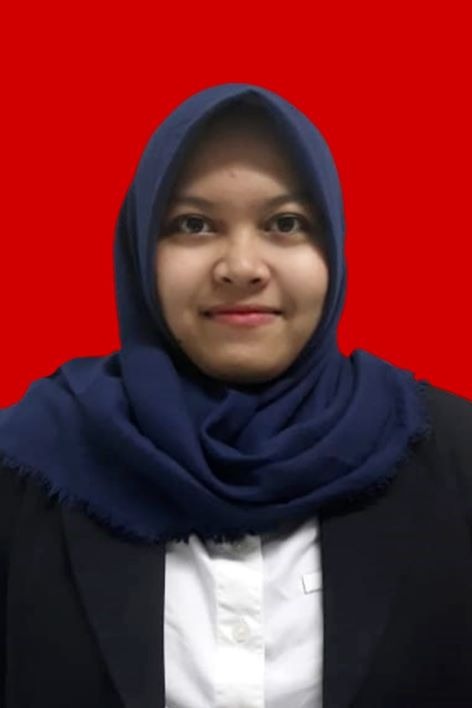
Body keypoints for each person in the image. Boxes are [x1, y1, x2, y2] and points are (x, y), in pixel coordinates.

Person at [1, 82, 471, 708]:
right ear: (141, 250)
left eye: (285, 223)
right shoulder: (30, 464)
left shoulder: (452, 457)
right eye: (193, 225)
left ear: (332, 248)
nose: (242, 267)